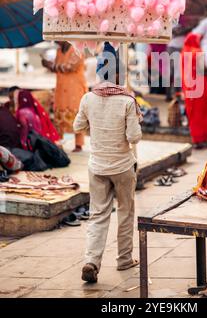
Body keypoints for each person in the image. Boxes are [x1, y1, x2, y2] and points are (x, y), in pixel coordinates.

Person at [73, 50, 142, 284]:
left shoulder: (88, 98)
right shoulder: (127, 100)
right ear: (120, 76)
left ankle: (92, 261)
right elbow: (134, 137)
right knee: (125, 212)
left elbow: (78, 126)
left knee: (98, 215)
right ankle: (124, 259)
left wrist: (97, 125)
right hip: (122, 166)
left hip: (98, 166)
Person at [42, 42, 87, 152]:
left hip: (75, 89)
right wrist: (48, 65)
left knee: (76, 113)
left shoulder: (77, 49)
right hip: (61, 88)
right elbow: (58, 68)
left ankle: (78, 144)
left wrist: (51, 66)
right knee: (59, 112)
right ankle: (59, 142)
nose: (56, 40)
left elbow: (69, 67)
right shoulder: (58, 51)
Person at [181, 33, 207, 148]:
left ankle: (196, 139)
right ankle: (202, 139)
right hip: (200, 87)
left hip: (189, 88)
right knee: (202, 113)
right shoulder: (197, 52)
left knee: (193, 113)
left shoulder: (184, 53)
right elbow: (202, 70)